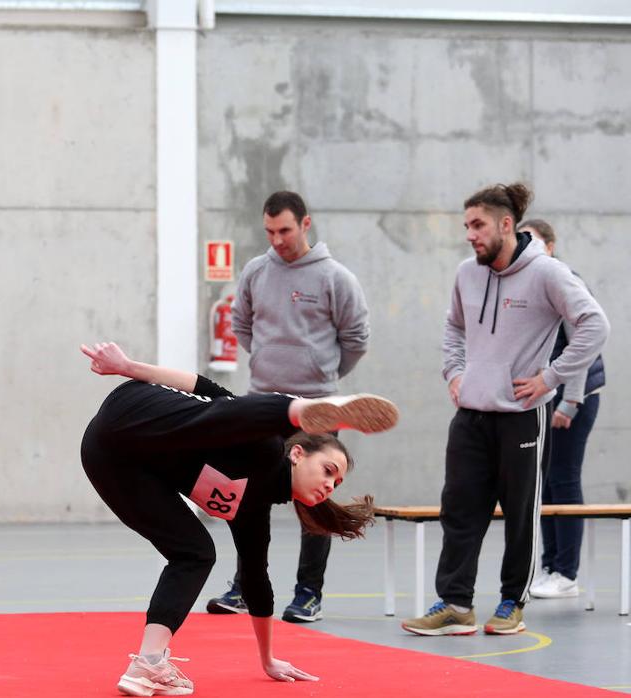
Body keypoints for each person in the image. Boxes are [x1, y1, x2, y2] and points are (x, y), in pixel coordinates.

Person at [78, 341, 395, 694]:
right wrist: (127, 366)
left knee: (195, 552)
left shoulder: (252, 510)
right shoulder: (262, 444)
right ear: (299, 454)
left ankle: (147, 663)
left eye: (336, 483)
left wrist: (268, 659)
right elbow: (200, 385)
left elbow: (257, 582)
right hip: (135, 410)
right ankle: (300, 407)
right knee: (234, 420)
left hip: (106, 458)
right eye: (328, 471)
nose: (329, 486)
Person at [402, 183, 609, 637]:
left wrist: (551, 378)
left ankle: (512, 602)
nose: (470, 235)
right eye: (466, 226)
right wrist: (454, 373)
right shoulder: (466, 274)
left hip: (521, 414)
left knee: (520, 513)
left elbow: (595, 324)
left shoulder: (548, 274)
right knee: (458, 508)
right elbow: (453, 326)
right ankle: (455, 604)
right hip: (470, 414)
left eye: (478, 225)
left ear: (505, 225)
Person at [208, 190, 369, 623]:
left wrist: (321, 374)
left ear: (305, 224)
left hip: (317, 409)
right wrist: (266, 359)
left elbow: (356, 340)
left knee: (313, 503)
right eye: (269, 231)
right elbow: (242, 324)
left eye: (284, 230)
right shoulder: (256, 272)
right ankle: (243, 587)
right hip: (261, 405)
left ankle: (308, 594)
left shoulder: (336, 278)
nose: (277, 239)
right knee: (248, 499)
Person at [519, 220, 606, 600]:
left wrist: (570, 402)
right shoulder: (531, 282)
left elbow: (581, 348)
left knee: (565, 479)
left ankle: (566, 572)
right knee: (547, 482)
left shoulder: (564, 279)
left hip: (572, 396)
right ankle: (551, 564)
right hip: (545, 394)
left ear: (551, 246)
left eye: (535, 241)